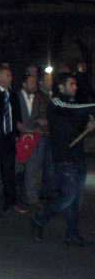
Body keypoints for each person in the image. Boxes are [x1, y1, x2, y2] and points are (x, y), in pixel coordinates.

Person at [32, 74, 95, 247]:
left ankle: (72, 234)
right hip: (64, 159)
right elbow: (78, 110)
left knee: (76, 200)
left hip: (78, 156)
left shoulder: (74, 104)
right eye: (71, 84)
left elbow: (81, 117)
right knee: (68, 197)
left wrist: (89, 125)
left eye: (75, 84)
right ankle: (40, 217)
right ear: (61, 87)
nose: (75, 87)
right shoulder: (57, 103)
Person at [0, 65, 25, 213]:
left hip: (8, 139)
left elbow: (16, 115)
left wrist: (17, 132)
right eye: (7, 75)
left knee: (9, 172)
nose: (10, 78)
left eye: (10, 76)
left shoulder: (13, 95)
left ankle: (10, 201)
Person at [17, 75, 46, 206]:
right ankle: (13, 197)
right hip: (19, 138)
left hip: (34, 137)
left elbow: (43, 115)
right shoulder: (16, 97)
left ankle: (32, 198)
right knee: (16, 169)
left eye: (35, 83)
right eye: (31, 83)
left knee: (33, 168)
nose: (34, 85)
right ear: (24, 84)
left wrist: (41, 123)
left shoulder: (39, 98)